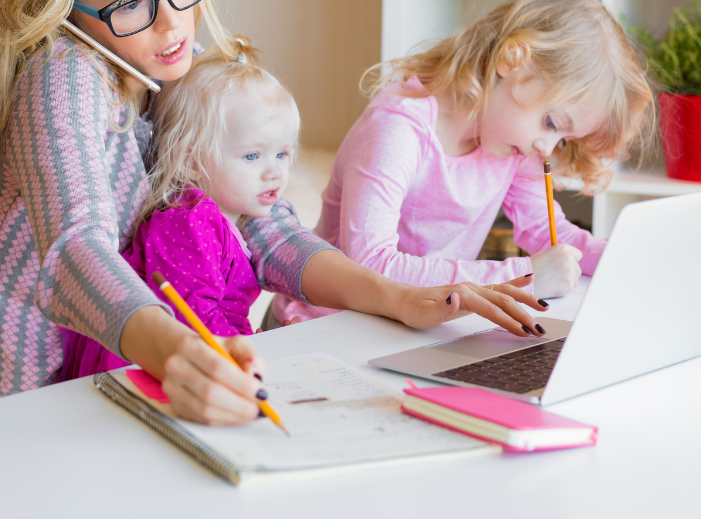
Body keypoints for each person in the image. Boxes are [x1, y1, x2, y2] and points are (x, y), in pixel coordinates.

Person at [0, 0, 539, 425]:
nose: (172, 24)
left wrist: (397, 297)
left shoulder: (172, 67)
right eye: (130, 6)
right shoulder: (61, 73)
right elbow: (74, 251)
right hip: (18, 413)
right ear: (62, 13)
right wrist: (176, 354)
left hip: (109, 393)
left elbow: (266, 228)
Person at [58, 41, 546, 379]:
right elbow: (199, 326)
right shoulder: (190, 221)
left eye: (283, 155)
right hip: (140, 374)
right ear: (189, 159)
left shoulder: (231, 217)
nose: (274, 174)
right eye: (252, 157)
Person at [270, 0, 655, 325]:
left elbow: (549, 233)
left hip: (418, 322)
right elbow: (370, 266)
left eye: (564, 140)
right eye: (552, 122)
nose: (547, 148)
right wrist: (521, 276)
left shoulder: (511, 143)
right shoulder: (400, 128)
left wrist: (623, 256)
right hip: (324, 323)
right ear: (512, 60)